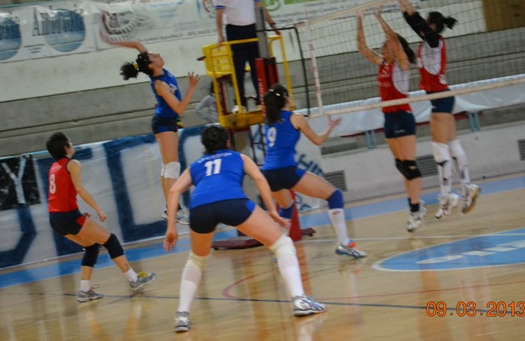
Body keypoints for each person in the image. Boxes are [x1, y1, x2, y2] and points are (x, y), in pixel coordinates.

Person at [164, 125, 326, 333]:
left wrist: (171, 227)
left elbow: (174, 190)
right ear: (228, 142)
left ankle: (182, 315)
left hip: (200, 208)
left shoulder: (196, 165)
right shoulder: (239, 157)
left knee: (196, 259)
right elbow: (259, 178)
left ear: (205, 146)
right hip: (233, 202)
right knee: (282, 244)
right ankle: (299, 300)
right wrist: (272, 210)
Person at [390, 0, 481, 219]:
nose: (423, 28)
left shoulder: (435, 41)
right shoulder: (429, 40)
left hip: (441, 97)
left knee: (439, 149)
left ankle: (447, 196)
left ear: (432, 26)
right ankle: (467, 186)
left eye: (427, 25)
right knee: (452, 144)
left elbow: (416, 22)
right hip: (441, 96)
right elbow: (413, 22)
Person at [46, 132, 156, 302]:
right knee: (110, 240)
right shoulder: (72, 164)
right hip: (67, 216)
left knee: (91, 247)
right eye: (70, 142)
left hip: (56, 219)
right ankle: (134, 280)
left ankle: (85, 291)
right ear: (66, 148)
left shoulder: (54, 167)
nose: (72, 144)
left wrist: (76, 214)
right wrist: (98, 209)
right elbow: (80, 190)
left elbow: (60, 196)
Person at [261, 84, 366, 258]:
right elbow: (317, 140)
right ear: (287, 99)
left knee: (286, 206)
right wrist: (330, 127)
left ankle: (280, 250)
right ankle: (344, 243)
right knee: (335, 195)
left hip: (268, 173)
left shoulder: (268, 120)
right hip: (285, 170)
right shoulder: (296, 118)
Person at [356, 8, 427, 232]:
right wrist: (359, 20)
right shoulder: (382, 64)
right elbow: (362, 48)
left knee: (410, 165)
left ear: (395, 49)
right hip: (388, 118)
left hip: (403, 116)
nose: (382, 47)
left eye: (385, 45)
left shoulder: (402, 65)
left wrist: (379, 17)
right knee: (401, 166)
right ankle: (416, 204)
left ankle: (415, 210)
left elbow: (395, 41)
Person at [117, 39, 200, 225]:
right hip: (164, 123)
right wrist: (192, 89)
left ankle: (170, 208)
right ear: (151, 65)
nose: (158, 55)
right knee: (172, 166)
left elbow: (138, 44)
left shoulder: (158, 70)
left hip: (167, 122)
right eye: (154, 56)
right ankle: (174, 209)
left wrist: (114, 42)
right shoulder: (159, 84)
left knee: (168, 166)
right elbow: (179, 108)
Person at [213, 0, 280, 111]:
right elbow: (219, 13)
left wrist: (273, 25)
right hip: (235, 31)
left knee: (257, 67)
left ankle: (260, 100)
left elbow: (260, 6)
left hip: (253, 30)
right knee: (238, 70)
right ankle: (240, 103)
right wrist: (220, 34)